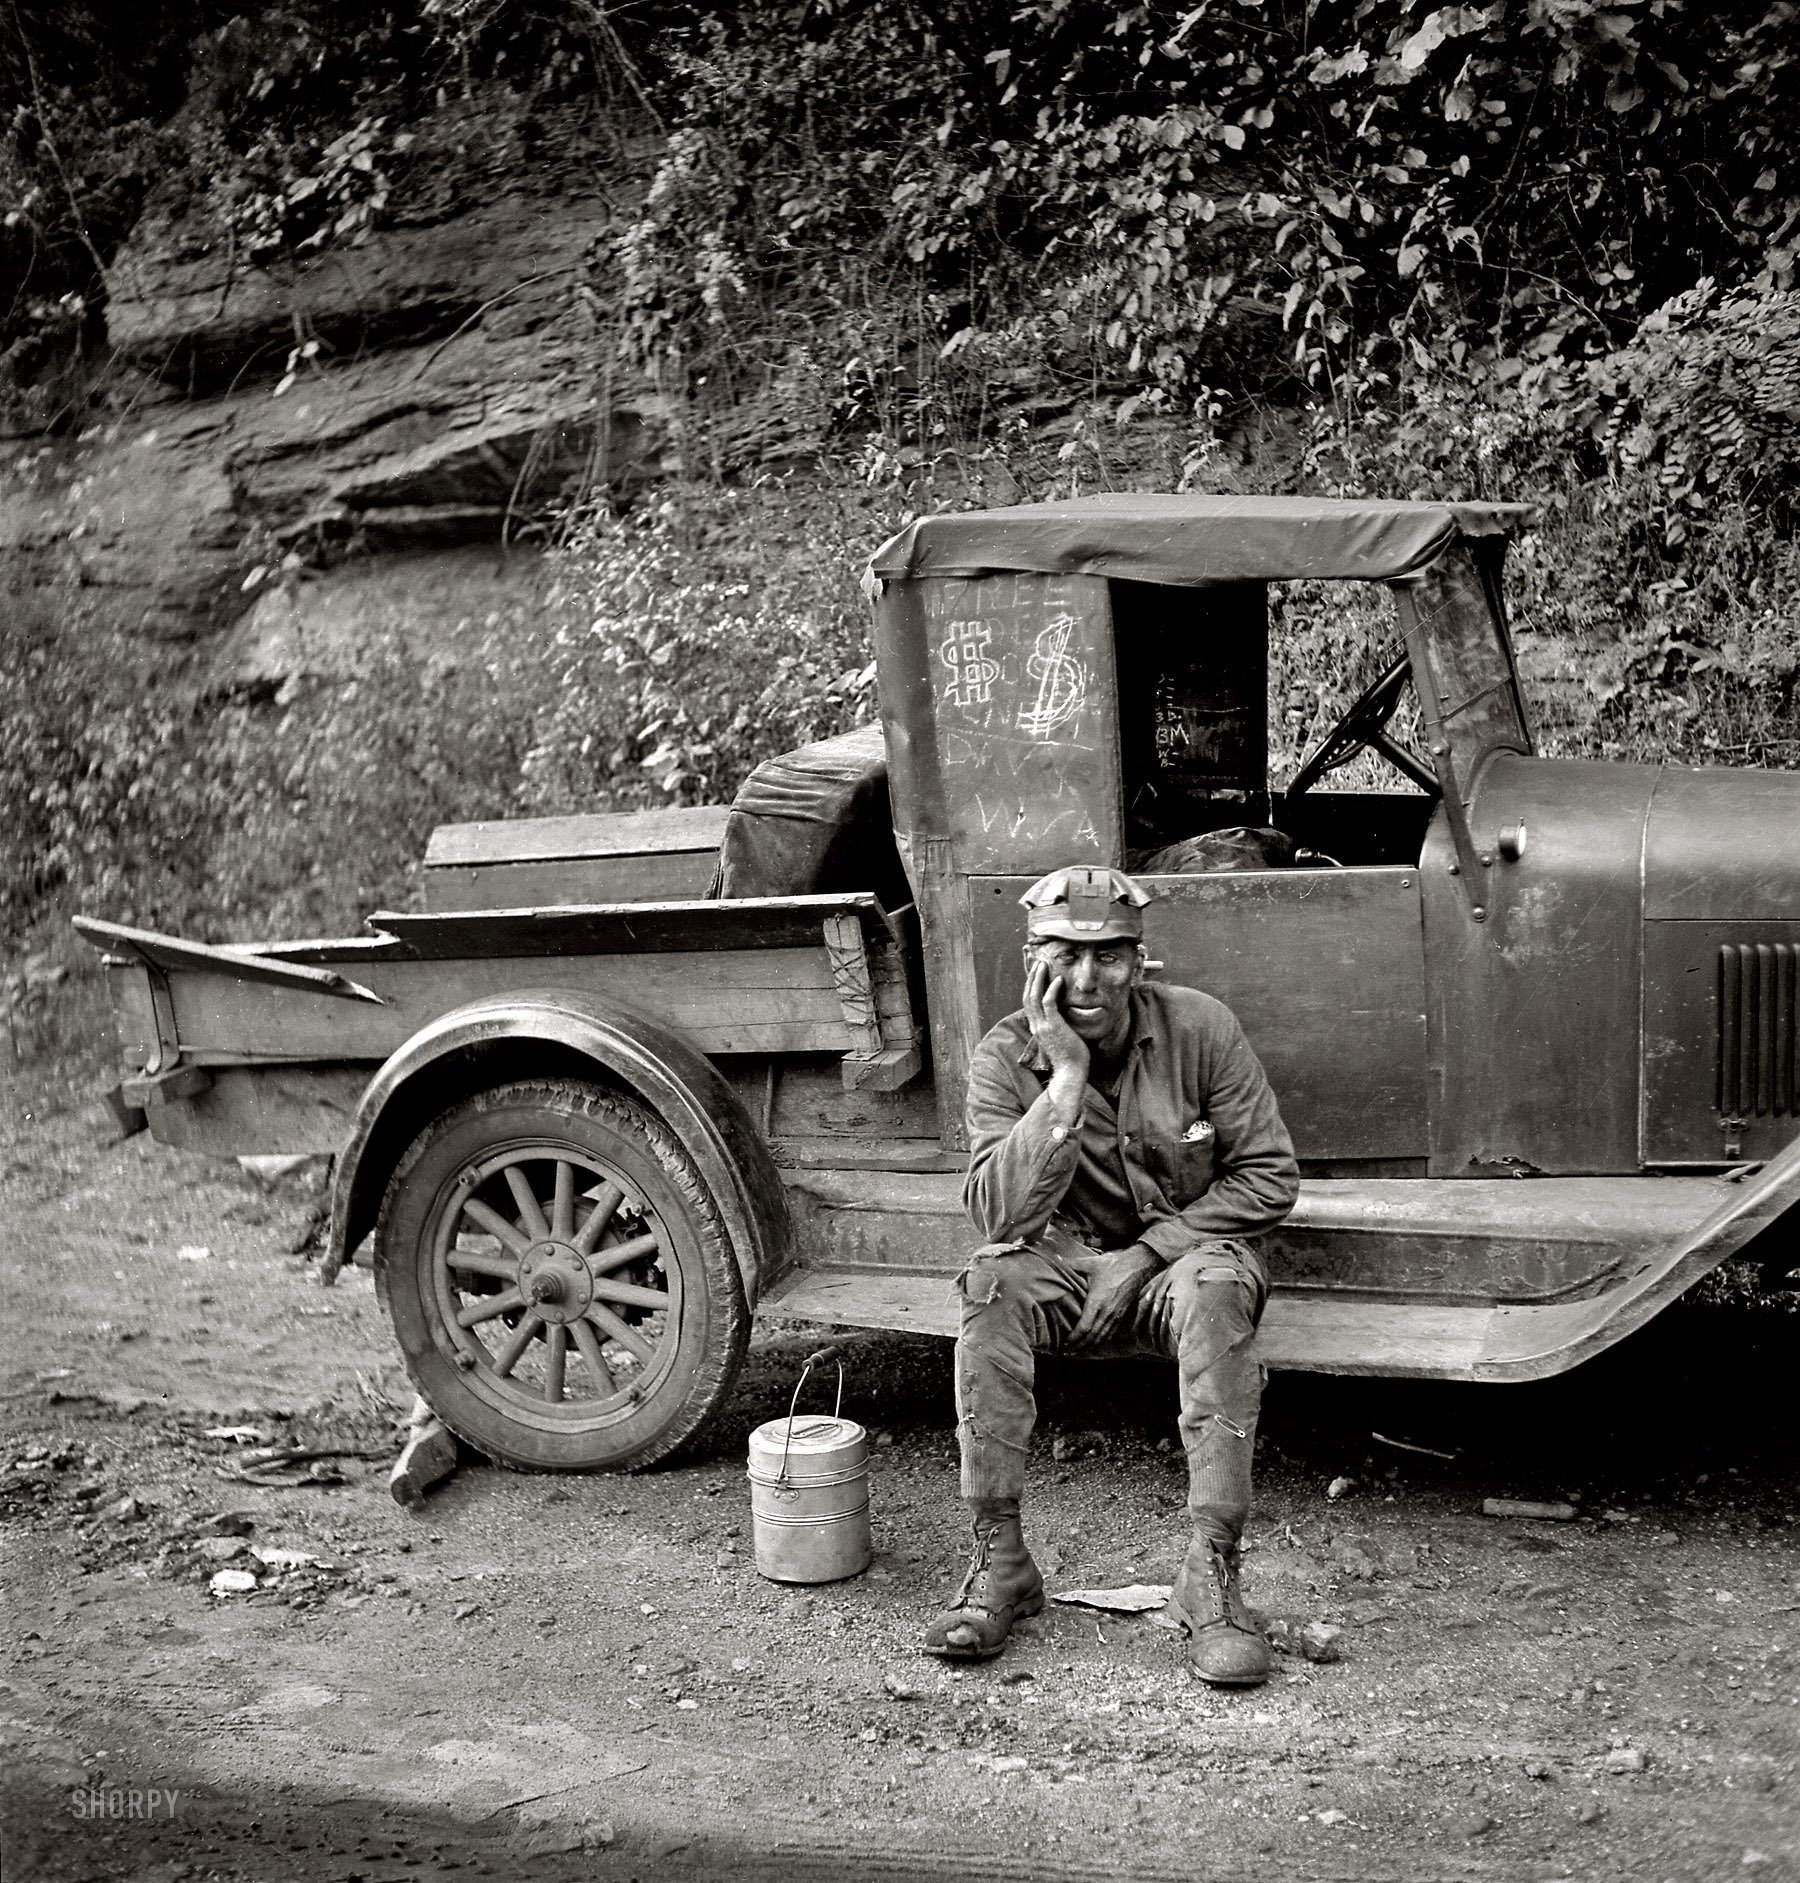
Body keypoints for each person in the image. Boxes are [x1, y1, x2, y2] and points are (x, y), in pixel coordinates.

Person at [922, 864, 1300, 1686]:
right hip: (1061, 1259)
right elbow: (999, 1216)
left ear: (1142, 960)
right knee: (989, 1285)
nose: (1086, 979)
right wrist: (1062, 1079)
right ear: (1032, 958)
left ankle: (1213, 1580)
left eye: (1110, 956)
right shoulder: (1004, 1056)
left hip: (1180, 1262)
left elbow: (1269, 1176)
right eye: (1063, 955)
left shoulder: (1201, 1028)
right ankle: (1001, 1565)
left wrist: (1147, 1252)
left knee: (1218, 1290)